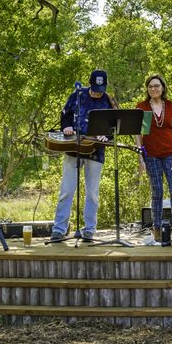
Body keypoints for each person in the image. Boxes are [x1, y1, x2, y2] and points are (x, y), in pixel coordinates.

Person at [52, 69, 116, 241]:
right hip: (74, 147)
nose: (97, 93)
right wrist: (66, 126)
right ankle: (59, 229)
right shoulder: (77, 95)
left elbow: (114, 127)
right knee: (67, 190)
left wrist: (106, 136)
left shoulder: (109, 101)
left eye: (100, 90)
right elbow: (65, 115)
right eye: (94, 89)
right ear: (89, 84)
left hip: (96, 150)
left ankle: (89, 229)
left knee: (92, 193)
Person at [136, 74, 172, 242]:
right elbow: (139, 134)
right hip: (151, 155)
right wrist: (140, 158)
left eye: (157, 86)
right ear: (147, 89)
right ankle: (157, 228)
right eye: (150, 86)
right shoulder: (142, 107)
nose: (154, 89)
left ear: (163, 87)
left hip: (170, 154)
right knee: (157, 191)